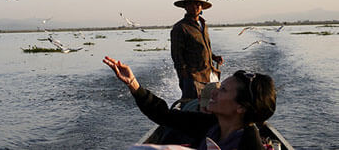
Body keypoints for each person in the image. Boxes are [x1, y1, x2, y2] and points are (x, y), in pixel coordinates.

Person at [103, 56, 276, 150]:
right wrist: (133, 84)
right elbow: (164, 115)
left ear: (241, 107)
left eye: (223, 90)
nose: (213, 91)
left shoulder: (250, 144)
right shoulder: (210, 125)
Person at [170, 0, 224, 100]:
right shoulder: (180, 28)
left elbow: (203, 47)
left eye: (198, 4)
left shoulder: (203, 25)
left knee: (210, 107)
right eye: (191, 4)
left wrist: (213, 57)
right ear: (185, 7)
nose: (195, 6)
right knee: (194, 108)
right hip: (193, 78)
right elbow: (176, 55)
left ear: (202, 7)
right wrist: (185, 75)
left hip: (209, 74)